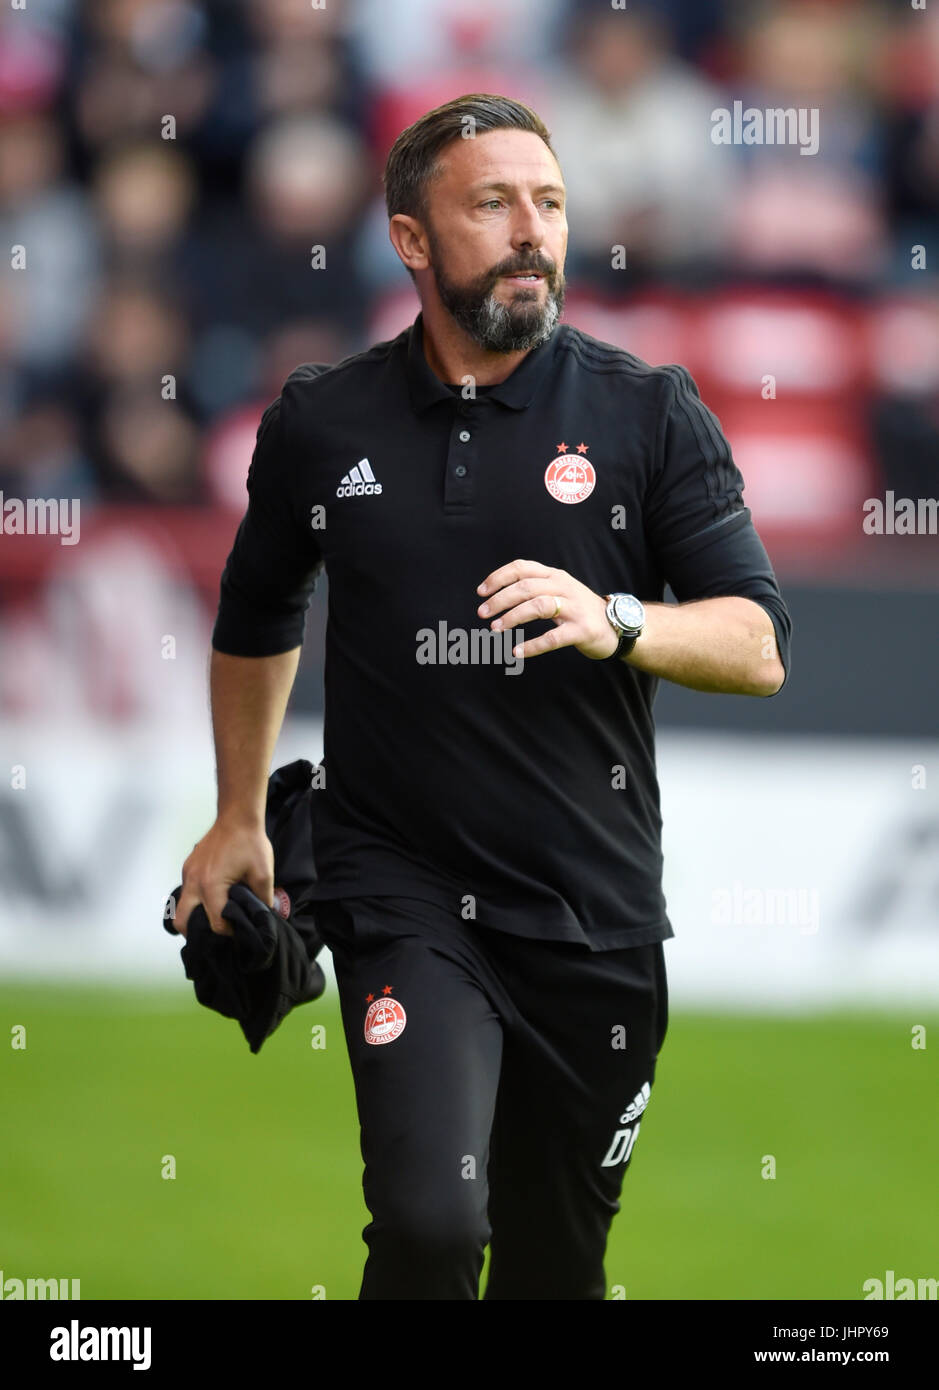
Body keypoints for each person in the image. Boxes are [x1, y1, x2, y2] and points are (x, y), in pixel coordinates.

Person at [174, 93, 792, 1300]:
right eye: (494, 204)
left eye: (551, 204)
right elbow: (257, 611)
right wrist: (239, 813)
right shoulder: (322, 419)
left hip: (593, 915)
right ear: (412, 240)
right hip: (403, 896)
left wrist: (616, 619)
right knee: (429, 1222)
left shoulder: (646, 411)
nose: (532, 231)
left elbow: (758, 640)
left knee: (553, 1272)